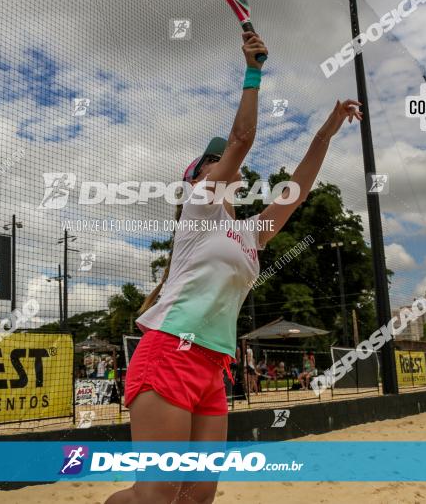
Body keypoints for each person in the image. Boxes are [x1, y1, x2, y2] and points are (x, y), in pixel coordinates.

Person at [107, 30, 361, 504]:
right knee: (156, 495)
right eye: (211, 159)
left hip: (212, 365)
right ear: (197, 177)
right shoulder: (200, 203)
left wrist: (325, 132)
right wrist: (253, 71)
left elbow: (297, 191)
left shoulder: (247, 235)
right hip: (169, 354)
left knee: (197, 494)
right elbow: (242, 139)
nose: (222, 160)